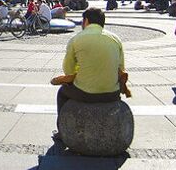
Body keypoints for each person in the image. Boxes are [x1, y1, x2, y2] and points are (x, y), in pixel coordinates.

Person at [54, 8, 125, 141]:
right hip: (112, 93)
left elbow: (68, 70)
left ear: (86, 21)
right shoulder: (116, 39)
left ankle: (62, 131)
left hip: (86, 93)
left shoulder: (76, 39)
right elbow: (121, 68)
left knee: (62, 92)